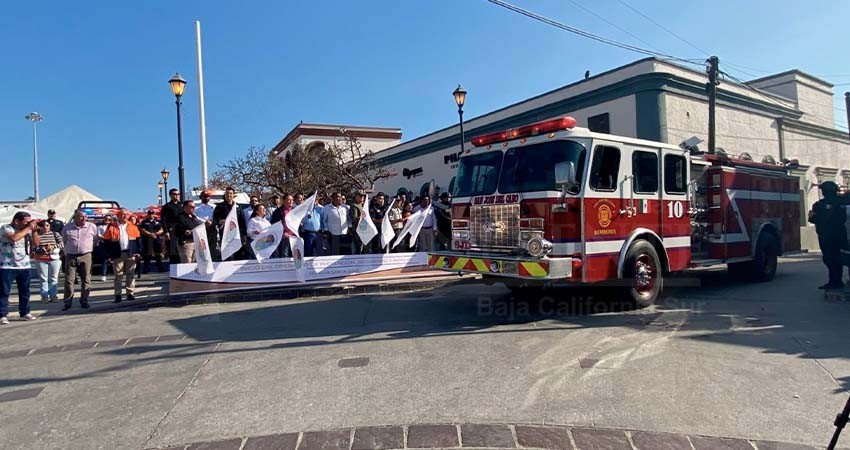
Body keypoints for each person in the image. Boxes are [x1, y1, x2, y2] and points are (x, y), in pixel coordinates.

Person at [0, 212, 39, 324]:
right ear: (17, 221)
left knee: (25, 291)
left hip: (24, 265)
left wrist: (34, 231)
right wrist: (29, 228)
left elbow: (36, 244)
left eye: (29, 221)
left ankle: (25, 312)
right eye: (26, 222)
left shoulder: (27, 230)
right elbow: (14, 238)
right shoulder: (6, 228)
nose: (28, 224)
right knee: (4, 291)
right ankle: (2, 315)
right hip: (7, 265)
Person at [809, 181, 848, 290]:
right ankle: (835, 281)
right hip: (840, 235)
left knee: (830, 259)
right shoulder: (843, 202)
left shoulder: (819, 205)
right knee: (838, 258)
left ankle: (835, 282)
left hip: (826, 236)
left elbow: (812, 218)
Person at [101, 209, 142, 303]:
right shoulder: (112, 227)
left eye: (125, 214)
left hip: (130, 253)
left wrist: (138, 252)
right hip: (117, 254)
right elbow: (106, 242)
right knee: (118, 276)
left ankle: (130, 293)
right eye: (122, 214)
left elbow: (138, 240)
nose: (124, 216)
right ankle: (118, 295)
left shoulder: (132, 226)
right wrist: (108, 255)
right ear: (118, 215)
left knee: (130, 274)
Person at [61, 209, 99, 310]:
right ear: (75, 217)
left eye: (85, 217)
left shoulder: (92, 227)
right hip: (71, 256)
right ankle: (68, 301)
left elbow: (95, 240)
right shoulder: (67, 227)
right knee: (69, 280)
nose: (84, 219)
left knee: (86, 279)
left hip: (86, 255)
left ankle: (84, 300)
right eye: (81, 216)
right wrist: (66, 252)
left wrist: (88, 248)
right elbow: (64, 241)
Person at [213, 187, 248, 261]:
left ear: (233, 195)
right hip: (225, 235)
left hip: (237, 234)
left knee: (238, 254)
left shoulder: (238, 207)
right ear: (225, 195)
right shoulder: (219, 207)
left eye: (230, 193)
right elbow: (215, 220)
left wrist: (244, 235)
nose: (229, 195)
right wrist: (220, 221)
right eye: (227, 193)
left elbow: (242, 221)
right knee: (227, 254)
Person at [34, 220, 63, 302]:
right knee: (43, 278)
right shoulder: (37, 235)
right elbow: (34, 247)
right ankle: (44, 296)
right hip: (41, 259)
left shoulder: (55, 234)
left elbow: (62, 244)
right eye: (43, 226)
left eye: (47, 225)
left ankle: (53, 295)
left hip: (54, 258)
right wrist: (43, 249)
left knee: (54, 278)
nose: (45, 227)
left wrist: (53, 246)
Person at [161, 188, 183, 264]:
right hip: (172, 230)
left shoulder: (181, 205)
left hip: (181, 231)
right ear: (170, 195)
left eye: (178, 194)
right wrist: (166, 231)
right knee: (173, 251)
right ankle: (173, 267)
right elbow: (163, 220)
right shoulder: (167, 206)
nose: (176, 195)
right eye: (174, 194)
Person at [195, 190, 218, 260]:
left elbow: (216, 217)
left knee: (212, 248)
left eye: (208, 196)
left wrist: (211, 222)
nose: (206, 198)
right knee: (202, 248)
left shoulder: (214, 207)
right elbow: (195, 217)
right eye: (204, 196)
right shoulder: (196, 207)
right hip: (201, 229)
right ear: (201, 197)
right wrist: (204, 222)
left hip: (212, 229)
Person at [96, 215, 112, 281]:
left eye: (109, 219)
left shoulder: (113, 227)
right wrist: (106, 238)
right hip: (103, 243)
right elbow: (99, 235)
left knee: (113, 259)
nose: (107, 220)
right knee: (104, 259)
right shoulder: (100, 226)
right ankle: (103, 274)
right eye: (106, 219)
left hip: (112, 243)